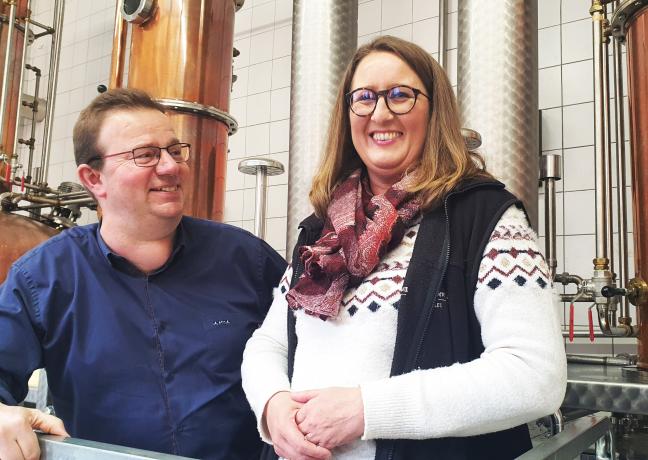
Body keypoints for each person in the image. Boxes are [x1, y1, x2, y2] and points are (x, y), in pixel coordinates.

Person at [241, 36, 567, 460]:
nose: (380, 112)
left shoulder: (483, 216)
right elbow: (271, 343)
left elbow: (534, 376)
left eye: (400, 95)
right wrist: (272, 405)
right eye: (364, 97)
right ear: (348, 114)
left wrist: (366, 410)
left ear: (434, 111)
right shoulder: (323, 232)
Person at [0, 88, 286, 460]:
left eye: (174, 150)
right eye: (146, 155)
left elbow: (315, 351)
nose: (171, 167)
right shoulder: (45, 277)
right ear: (93, 179)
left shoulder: (248, 260)